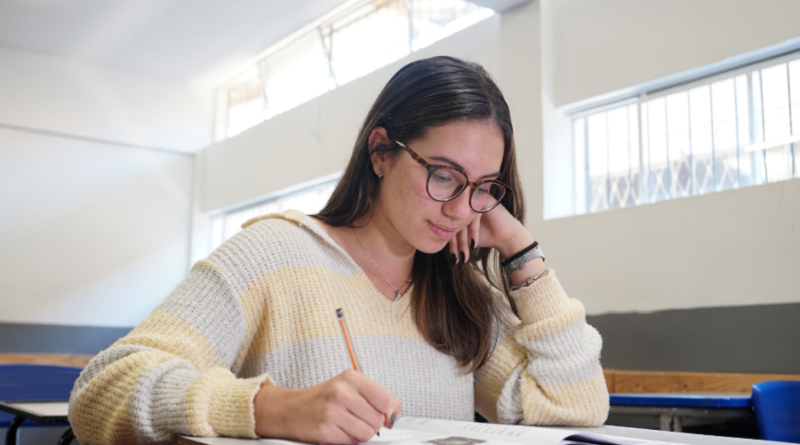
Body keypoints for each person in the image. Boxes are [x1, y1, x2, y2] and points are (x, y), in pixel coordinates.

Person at [68, 56, 609, 445]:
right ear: (380, 152)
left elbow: (578, 409)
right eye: (444, 175)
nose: (461, 209)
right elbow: (102, 391)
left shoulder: (461, 293)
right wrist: (268, 408)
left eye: (484, 187)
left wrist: (520, 249)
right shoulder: (273, 254)